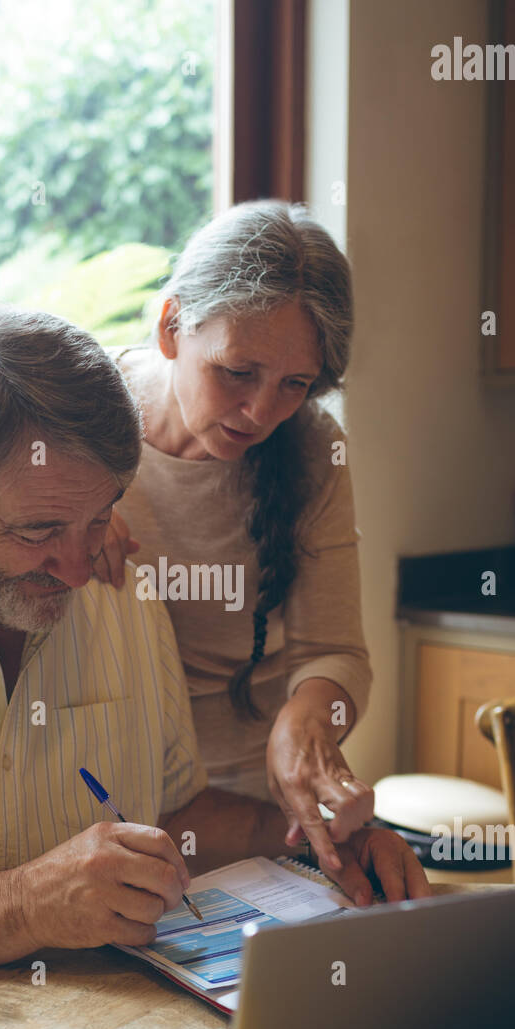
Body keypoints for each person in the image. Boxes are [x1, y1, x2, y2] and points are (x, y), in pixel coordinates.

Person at [0, 300, 430, 1029]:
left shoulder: (124, 594)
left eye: (100, 516)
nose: (80, 568)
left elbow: (179, 820)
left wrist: (321, 842)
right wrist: (19, 905)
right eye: (40, 529)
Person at [96, 199, 374, 873]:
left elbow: (336, 652)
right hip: (108, 813)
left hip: (258, 826)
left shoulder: (311, 453)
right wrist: (64, 529)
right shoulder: (81, 419)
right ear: (171, 328)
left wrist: (307, 721)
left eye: (294, 385)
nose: (260, 411)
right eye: (237, 372)